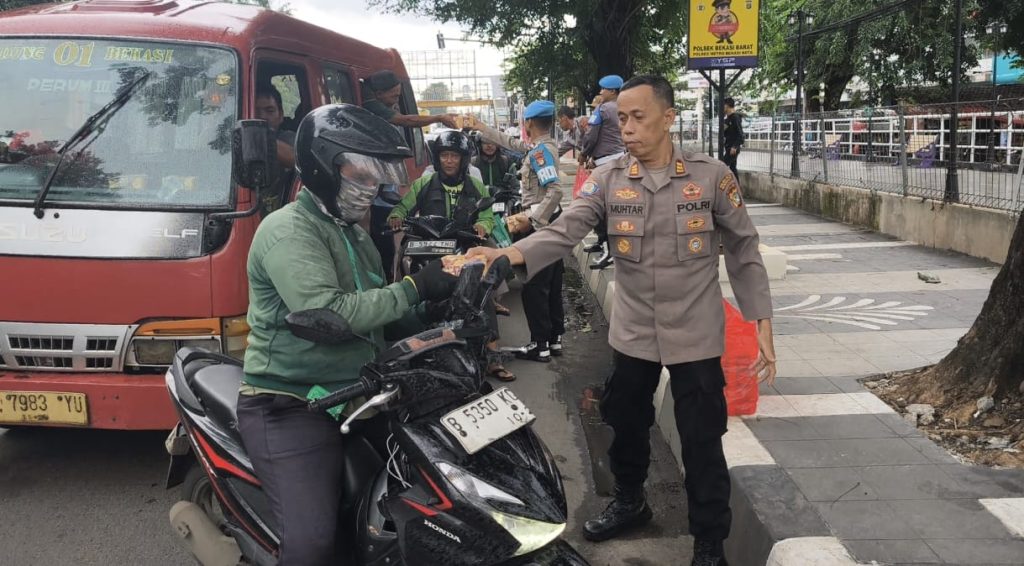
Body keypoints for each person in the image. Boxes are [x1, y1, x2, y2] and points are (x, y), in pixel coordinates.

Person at [466, 75, 777, 566]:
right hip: (633, 332)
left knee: (702, 441)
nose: (627, 129)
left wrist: (761, 318)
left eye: (638, 117)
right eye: (622, 119)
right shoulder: (609, 178)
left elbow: (743, 248)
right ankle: (630, 500)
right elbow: (565, 230)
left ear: (669, 118)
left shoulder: (711, 175)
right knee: (625, 421)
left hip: (695, 334)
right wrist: (508, 254)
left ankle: (709, 540)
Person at [237, 104, 459, 566]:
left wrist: (441, 327)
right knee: (314, 542)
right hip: (293, 402)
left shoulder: (352, 234)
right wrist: (415, 287)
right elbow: (331, 312)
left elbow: (380, 309)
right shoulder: (288, 232)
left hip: (359, 391)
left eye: (378, 173)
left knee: (437, 487)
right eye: (361, 171)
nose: (374, 185)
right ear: (323, 165)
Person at [386, 130, 514, 381]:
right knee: (403, 269)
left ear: (463, 159)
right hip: (428, 244)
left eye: (454, 156)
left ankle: (492, 355)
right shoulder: (424, 183)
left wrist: (483, 226)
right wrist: (396, 217)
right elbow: (403, 206)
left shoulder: (474, 186)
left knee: (480, 289)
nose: (449, 161)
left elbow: (487, 214)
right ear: (438, 158)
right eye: (444, 155)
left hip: (462, 245)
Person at [464, 100, 566, 362]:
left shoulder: (541, 153)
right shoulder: (540, 147)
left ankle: (539, 344)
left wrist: (530, 219)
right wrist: (481, 127)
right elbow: (511, 144)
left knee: (535, 286)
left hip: (539, 227)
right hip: (551, 223)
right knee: (552, 284)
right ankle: (554, 340)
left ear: (528, 123)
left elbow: (554, 192)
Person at [581, 75, 627, 270]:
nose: (601, 93)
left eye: (604, 90)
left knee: (601, 208)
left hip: (604, 165)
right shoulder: (626, 108)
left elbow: (591, 136)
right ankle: (608, 245)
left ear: (613, 91)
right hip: (621, 159)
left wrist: (584, 154)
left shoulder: (602, 109)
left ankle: (609, 250)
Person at [362, 69, 458, 129]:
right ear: (379, 94)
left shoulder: (383, 103)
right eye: (394, 96)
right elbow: (406, 120)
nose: (396, 101)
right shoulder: (372, 105)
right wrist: (439, 118)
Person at [254, 85, 297, 217]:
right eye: (256, 111)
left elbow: (294, 159)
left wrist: (257, 132)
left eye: (270, 110)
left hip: (283, 211)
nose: (262, 116)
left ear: (281, 115)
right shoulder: (239, 139)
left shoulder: (289, 138)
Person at [721, 97, 744, 179]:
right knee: (733, 169)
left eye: (723, 105)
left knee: (721, 166)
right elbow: (724, 133)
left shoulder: (735, 118)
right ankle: (737, 190)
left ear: (727, 106)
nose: (722, 108)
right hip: (728, 147)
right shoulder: (728, 119)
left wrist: (734, 146)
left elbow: (741, 135)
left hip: (732, 149)